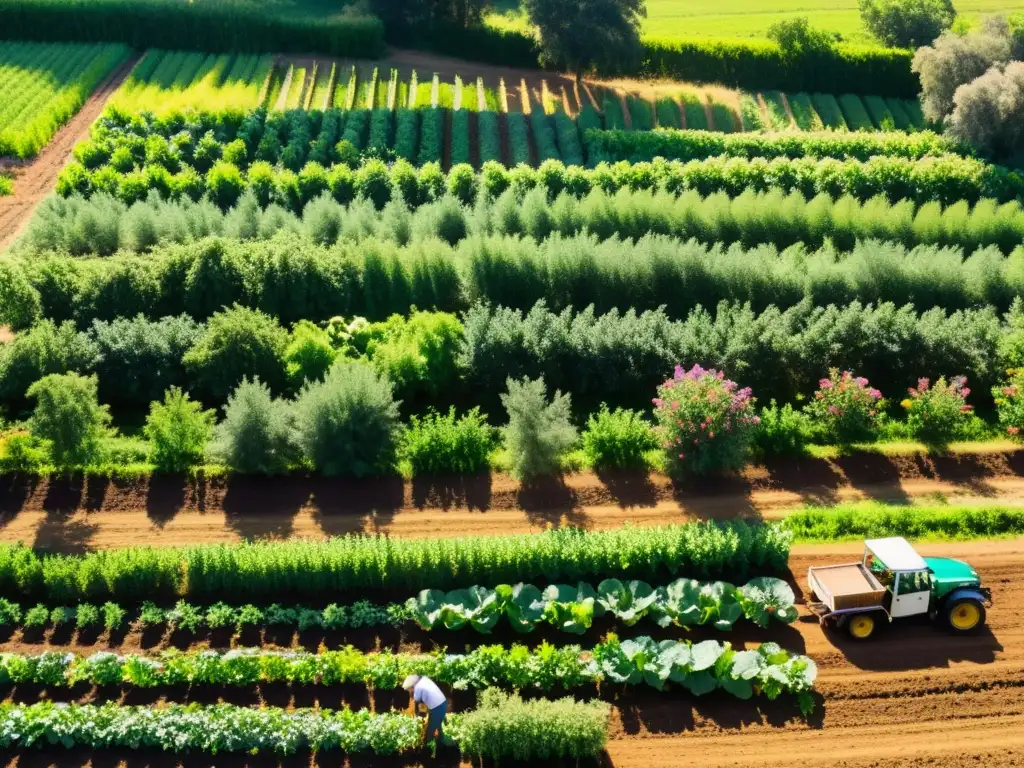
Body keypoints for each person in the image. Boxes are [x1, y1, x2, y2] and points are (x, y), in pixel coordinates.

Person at [403, 674, 448, 746]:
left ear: (411, 687)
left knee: (430, 730)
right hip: (442, 704)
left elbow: (417, 699)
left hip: (437, 707)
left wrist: (412, 695)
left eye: (409, 690)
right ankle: (442, 745)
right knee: (438, 728)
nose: (409, 691)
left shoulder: (418, 687)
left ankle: (426, 748)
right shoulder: (424, 680)